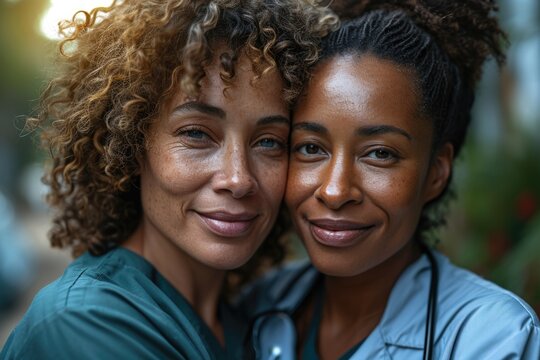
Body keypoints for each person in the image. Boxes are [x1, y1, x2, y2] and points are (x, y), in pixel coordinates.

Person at [0, 1, 337, 359]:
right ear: (133, 144)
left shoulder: (252, 320)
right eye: (196, 134)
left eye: (269, 141)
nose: (238, 179)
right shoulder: (84, 325)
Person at [240, 1, 540, 359]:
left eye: (380, 153)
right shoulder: (254, 308)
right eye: (310, 148)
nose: (335, 191)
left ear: (435, 172)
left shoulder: (492, 338)